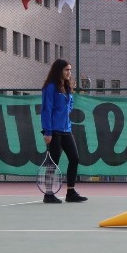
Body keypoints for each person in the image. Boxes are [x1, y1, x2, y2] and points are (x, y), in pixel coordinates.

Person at [40, 59, 87, 204]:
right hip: (53, 130)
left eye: (70, 70)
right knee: (53, 162)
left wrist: (67, 109)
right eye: (67, 70)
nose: (69, 72)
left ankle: (71, 193)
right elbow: (46, 110)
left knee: (75, 158)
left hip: (66, 129)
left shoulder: (66, 87)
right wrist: (47, 132)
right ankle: (48, 194)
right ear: (59, 70)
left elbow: (69, 104)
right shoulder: (50, 87)